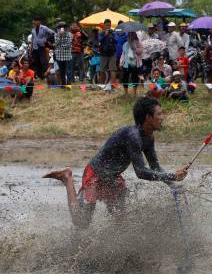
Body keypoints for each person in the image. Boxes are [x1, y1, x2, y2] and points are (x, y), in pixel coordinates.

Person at [42, 98, 189, 229]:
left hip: (113, 177)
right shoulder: (133, 136)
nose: (162, 118)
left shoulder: (148, 137)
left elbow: (155, 167)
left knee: (121, 221)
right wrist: (172, 176)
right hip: (95, 174)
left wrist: (173, 183)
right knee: (81, 222)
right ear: (148, 117)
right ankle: (67, 178)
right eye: (159, 114)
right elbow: (141, 172)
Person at [120, 32, 143, 97]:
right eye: (129, 35)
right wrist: (121, 63)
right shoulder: (125, 44)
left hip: (135, 63)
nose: (130, 37)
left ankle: (134, 93)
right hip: (126, 64)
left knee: (135, 78)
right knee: (125, 78)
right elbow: (123, 54)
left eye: (131, 35)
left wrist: (135, 48)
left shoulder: (139, 43)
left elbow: (141, 51)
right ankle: (126, 93)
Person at [54, 21, 73, 87]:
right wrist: (61, 36)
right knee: (62, 71)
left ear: (65, 28)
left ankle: (68, 85)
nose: (60, 29)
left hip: (68, 56)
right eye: (59, 28)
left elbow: (68, 45)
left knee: (69, 71)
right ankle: (63, 84)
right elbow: (56, 44)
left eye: (62, 28)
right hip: (59, 56)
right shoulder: (56, 34)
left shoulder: (69, 34)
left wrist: (60, 46)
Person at [99, 19, 117, 85]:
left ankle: (113, 85)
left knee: (113, 70)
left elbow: (116, 41)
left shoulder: (113, 32)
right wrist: (105, 35)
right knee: (102, 70)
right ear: (104, 25)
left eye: (109, 25)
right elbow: (100, 40)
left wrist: (112, 37)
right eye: (106, 25)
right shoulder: (101, 32)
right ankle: (101, 85)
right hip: (103, 54)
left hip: (112, 53)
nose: (108, 26)